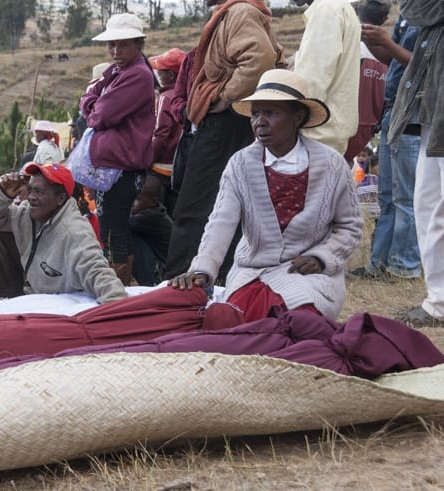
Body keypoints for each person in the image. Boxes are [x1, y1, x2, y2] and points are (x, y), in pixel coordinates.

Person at [171, 69, 363, 322]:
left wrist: (321, 257)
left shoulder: (332, 165)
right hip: (252, 274)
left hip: (309, 279)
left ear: (298, 117)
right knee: (230, 321)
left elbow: (349, 226)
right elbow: (220, 224)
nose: (259, 122)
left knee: (298, 322)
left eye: (270, 113)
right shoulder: (240, 164)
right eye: (255, 114)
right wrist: (203, 269)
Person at [163, 0, 286, 280]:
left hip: (226, 122)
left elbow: (260, 58)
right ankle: (212, 279)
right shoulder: (237, 12)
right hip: (229, 121)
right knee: (220, 203)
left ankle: (180, 283)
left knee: (194, 207)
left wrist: (225, 96)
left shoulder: (240, 11)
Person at [80, 13, 156, 285]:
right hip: (114, 164)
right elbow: (91, 100)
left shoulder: (136, 75)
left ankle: (117, 286)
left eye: (123, 45)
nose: (115, 50)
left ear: (138, 44)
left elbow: (99, 116)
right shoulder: (116, 72)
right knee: (114, 229)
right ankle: (120, 284)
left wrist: (92, 105)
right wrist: (93, 103)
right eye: (112, 45)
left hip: (122, 166)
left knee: (114, 232)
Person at [0, 162, 127, 304]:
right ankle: (10, 301)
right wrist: (3, 193)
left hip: (57, 304)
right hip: (31, 292)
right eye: (30, 190)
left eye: (39, 192)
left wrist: (117, 304)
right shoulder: (28, 212)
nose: (31, 197)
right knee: (3, 233)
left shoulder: (74, 230)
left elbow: (96, 269)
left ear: (61, 199)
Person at [349, 12, 421, 281]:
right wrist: (370, 39)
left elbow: (425, 66)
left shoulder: (432, 16)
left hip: (413, 116)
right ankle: (379, 262)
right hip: (394, 112)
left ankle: (405, 265)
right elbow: (392, 59)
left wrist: (386, 43)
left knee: (406, 198)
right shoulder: (408, 15)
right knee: (387, 197)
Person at [388, 0, 444, 326]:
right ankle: (438, 302)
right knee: (429, 208)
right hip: (434, 119)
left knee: (434, 210)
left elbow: (415, 9)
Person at [293, 0, 361, 155]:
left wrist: (292, 121)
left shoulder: (326, 10)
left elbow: (312, 82)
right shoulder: (338, 7)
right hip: (328, 133)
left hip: (315, 133)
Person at [343, 0, 390, 163]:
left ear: (356, 14)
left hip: (342, 125)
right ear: (385, 18)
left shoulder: (346, 45)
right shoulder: (390, 53)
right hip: (368, 128)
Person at [149, 47, 186, 217]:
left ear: (171, 75)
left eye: (161, 72)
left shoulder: (166, 97)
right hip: (181, 168)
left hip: (160, 169)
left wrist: (149, 159)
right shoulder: (189, 96)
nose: (159, 75)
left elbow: (160, 134)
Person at [130, 174, 173, 286]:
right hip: (163, 266)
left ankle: (148, 282)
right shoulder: (154, 210)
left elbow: (121, 223)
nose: (132, 203)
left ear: (153, 201)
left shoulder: (150, 217)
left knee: (126, 233)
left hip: (162, 273)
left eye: (138, 199)